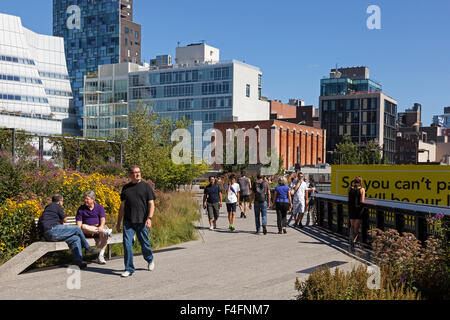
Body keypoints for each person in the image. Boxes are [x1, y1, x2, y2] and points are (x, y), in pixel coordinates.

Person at [116, 165, 156, 278]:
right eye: (135, 172)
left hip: (142, 221)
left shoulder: (146, 186)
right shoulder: (126, 188)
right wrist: (118, 222)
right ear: (130, 175)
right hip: (128, 221)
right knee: (127, 244)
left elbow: (151, 204)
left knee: (144, 243)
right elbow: (122, 207)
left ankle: (150, 259)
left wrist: (150, 218)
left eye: (139, 172)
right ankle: (129, 268)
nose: (138, 174)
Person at [38, 194, 94, 269]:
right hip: (53, 231)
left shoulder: (48, 207)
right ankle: (88, 248)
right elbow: (64, 219)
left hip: (49, 235)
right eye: (62, 201)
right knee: (77, 228)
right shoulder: (57, 206)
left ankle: (77, 261)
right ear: (60, 202)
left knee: (75, 238)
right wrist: (63, 220)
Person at [76, 191, 113, 264]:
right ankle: (103, 231)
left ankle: (101, 256)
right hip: (87, 230)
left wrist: (101, 226)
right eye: (85, 198)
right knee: (84, 226)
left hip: (98, 228)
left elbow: (102, 219)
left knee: (104, 232)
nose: (85, 200)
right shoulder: (81, 209)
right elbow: (79, 225)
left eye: (87, 199)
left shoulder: (99, 207)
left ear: (93, 199)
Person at [347, 176, 366, 252]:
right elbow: (362, 201)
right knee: (356, 227)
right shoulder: (362, 190)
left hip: (351, 209)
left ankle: (350, 238)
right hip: (358, 210)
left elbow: (348, 199)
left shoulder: (349, 189)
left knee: (352, 225)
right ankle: (354, 242)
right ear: (360, 182)